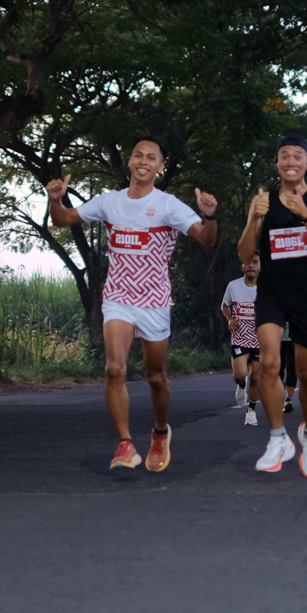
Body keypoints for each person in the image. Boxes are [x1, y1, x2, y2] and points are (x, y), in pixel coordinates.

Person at [46, 137, 217, 472]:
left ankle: (160, 431)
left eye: (151, 157)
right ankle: (125, 444)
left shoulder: (168, 205)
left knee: (154, 375)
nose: (143, 161)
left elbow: (205, 238)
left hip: (154, 300)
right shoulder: (110, 201)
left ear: (160, 167)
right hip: (118, 297)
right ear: (129, 161)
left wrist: (209, 217)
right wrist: (55, 200)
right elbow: (62, 219)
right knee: (115, 369)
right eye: (138, 155)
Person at [238, 134, 307, 477]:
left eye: (297, 156)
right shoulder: (263, 199)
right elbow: (245, 254)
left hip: (306, 294)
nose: (290, 161)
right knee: (268, 363)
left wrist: (306, 215)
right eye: (284, 155)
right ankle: (278, 437)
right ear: (277, 162)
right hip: (272, 292)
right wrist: (254, 220)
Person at [221, 254, 261, 425]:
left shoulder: (267, 288)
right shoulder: (233, 286)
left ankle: (251, 411)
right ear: (242, 266)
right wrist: (230, 319)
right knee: (240, 375)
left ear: (260, 266)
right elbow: (224, 305)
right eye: (247, 262)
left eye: (255, 262)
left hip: (260, 339)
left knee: (256, 378)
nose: (251, 265)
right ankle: (241, 385)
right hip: (240, 337)